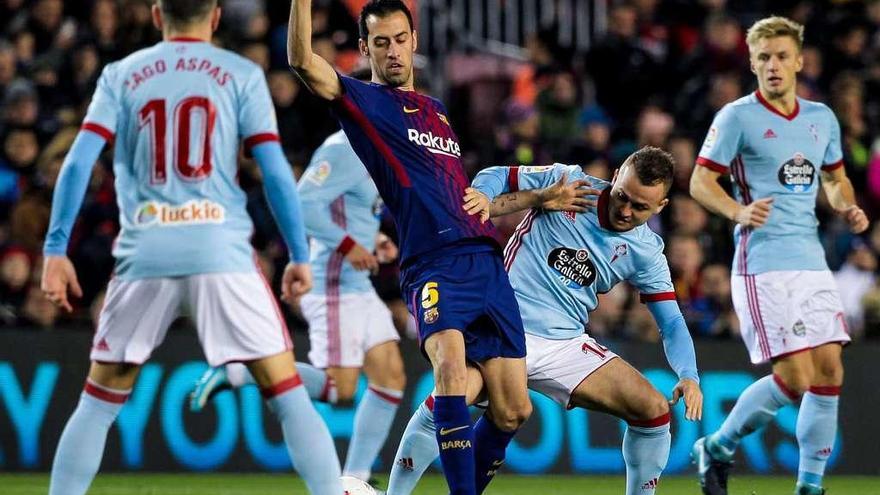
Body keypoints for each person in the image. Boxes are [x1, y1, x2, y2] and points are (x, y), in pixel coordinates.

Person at [40, 1, 343, 493]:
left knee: (96, 404)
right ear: (217, 17)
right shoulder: (241, 73)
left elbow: (77, 163)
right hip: (219, 252)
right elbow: (273, 172)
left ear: (157, 15)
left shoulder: (122, 74)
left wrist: (56, 250)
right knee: (288, 396)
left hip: (145, 254)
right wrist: (299, 255)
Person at [287, 1, 533, 493]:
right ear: (365, 49)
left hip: (484, 259)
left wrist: (485, 200)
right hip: (433, 263)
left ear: (414, 40)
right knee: (450, 372)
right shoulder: (363, 101)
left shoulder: (437, 111)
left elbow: (442, 184)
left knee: (513, 409)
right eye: (381, 42)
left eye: (400, 39)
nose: (393, 51)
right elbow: (302, 60)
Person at [387, 147, 703, 495]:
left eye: (640, 207)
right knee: (452, 398)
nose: (625, 211)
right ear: (614, 178)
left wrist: (688, 375)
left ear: (661, 207)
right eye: (622, 196)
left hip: (564, 342)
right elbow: (495, 175)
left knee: (653, 410)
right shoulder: (569, 183)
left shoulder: (646, 252)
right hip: (502, 323)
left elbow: (671, 321)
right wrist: (484, 199)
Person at [689, 16, 869, 495]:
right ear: (752, 63)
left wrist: (846, 204)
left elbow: (833, 177)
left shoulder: (821, 118)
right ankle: (718, 446)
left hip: (812, 261)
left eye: (782, 56)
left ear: (799, 62)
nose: (773, 65)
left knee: (830, 371)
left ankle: (809, 487)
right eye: (764, 57)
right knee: (793, 378)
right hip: (762, 263)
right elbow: (700, 181)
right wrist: (737, 211)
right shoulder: (736, 117)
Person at [190, 127, 407, 483]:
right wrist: (348, 244)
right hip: (333, 285)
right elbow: (301, 203)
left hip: (358, 285)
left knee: (391, 378)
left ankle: (354, 478)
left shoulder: (376, 149)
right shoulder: (342, 148)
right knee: (340, 390)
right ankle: (238, 371)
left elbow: (349, 207)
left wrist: (374, 238)